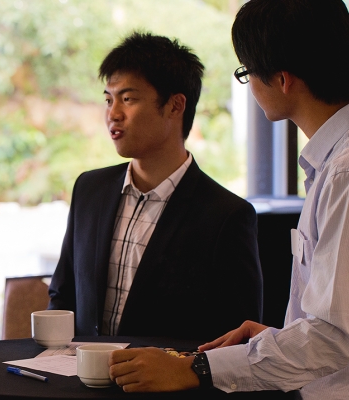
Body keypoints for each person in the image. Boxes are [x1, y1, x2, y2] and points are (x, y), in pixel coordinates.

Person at [108, 1, 349, 399]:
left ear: (283, 79)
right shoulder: (329, 165)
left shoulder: (341, 172)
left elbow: (336, 338)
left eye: (246, 72)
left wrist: (196, 368)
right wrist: (279, 339)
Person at [47, 31, 263, 342]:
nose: (113, 114)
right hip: (78, 383)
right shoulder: (89, 189)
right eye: (108, 99)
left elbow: (236, 336)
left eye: (128, 99)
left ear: (175, 107)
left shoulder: (226, 215)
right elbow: (63, 293)